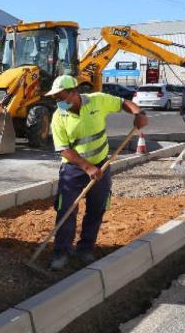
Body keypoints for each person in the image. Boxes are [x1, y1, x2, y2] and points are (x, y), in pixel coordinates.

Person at [47, 75, 148, 270]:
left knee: (97, 208)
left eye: (61, 97)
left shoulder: (97, 100)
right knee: (66, 209)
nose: (58, 102)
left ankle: (85, 249)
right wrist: (86, 167)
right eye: (56, 98)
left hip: (101, 165)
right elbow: (63, 149)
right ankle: (61, 252)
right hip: (73, 169)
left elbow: (123, 103)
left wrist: (139, 113)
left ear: (74, 92)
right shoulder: (59, 116)